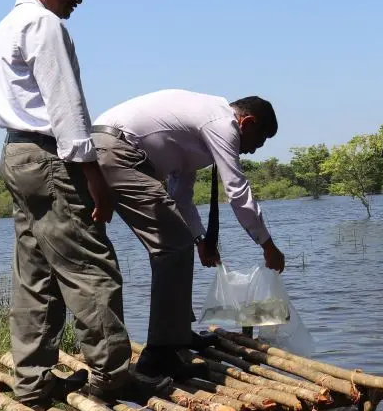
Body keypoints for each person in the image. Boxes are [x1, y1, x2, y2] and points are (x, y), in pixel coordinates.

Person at [0, 0, 170, 409]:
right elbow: (67, 108)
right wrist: (93, 177)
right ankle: (111, 376)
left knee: (37, 273)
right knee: (93, 267)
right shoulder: (43, 25)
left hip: (18, 155)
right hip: (50, 159)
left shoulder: (4, 27)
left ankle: (31, 383)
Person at [91, 89, 286, 380]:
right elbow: (236, 190)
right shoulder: (222, 123)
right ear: (246, 123)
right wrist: (267, 244)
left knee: (179, 241)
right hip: (116, 150)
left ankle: (177, 334)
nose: (254, 150)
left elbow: (181, 195)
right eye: (259, 140)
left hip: (113, 149)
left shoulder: (198, 132)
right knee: (172, 245)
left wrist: (200, 239)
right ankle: (158, 355)